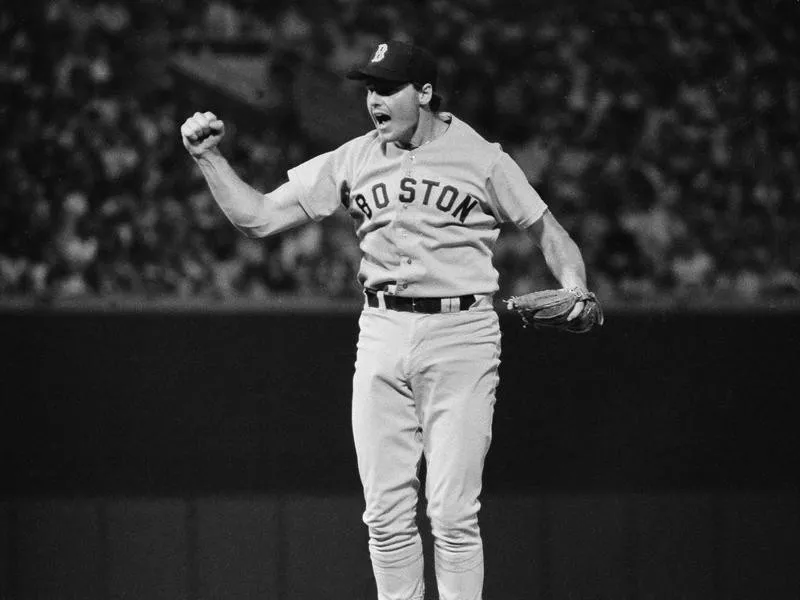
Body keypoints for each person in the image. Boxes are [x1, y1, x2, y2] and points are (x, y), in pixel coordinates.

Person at [181, 40, 592, 600]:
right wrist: (209, 158)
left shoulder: (483, 157)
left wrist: (575, 284)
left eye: (387, 88)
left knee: (451, 512)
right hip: (381, 330)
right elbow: (258, 218)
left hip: (462, 334)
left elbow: (550, 232)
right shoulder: (353, 156)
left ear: (424, 93)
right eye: (370, 88)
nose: (374, 100)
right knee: (384, 514)